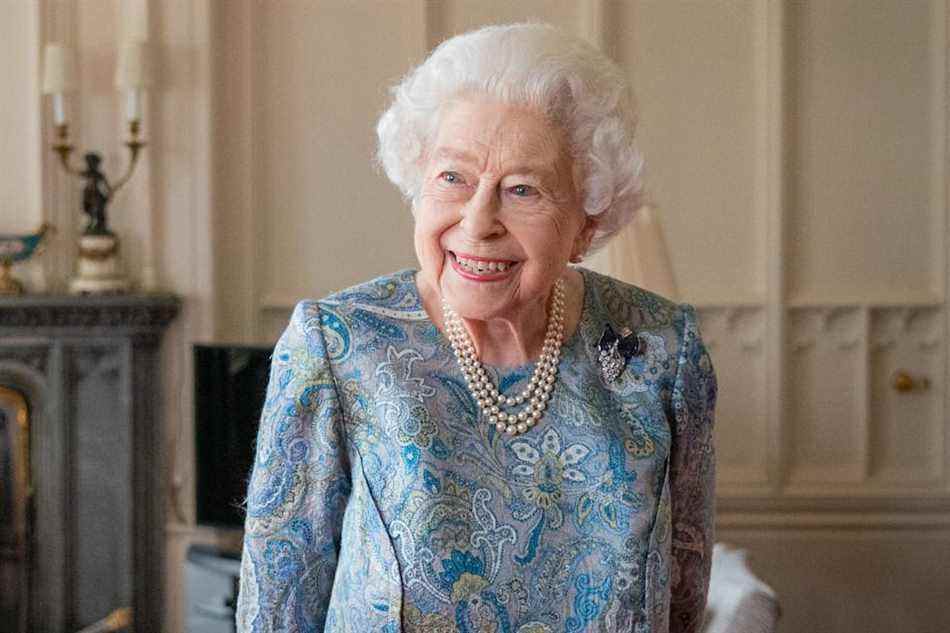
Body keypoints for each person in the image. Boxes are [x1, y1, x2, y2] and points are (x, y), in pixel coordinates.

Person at [236, 22, 717, 633]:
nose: (478, 220)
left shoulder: (661, 349)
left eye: (523, 189)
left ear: (587, 222)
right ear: (417, 183)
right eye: (453, 178)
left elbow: (683, 598)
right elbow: (279, 606)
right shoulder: (339, 347)